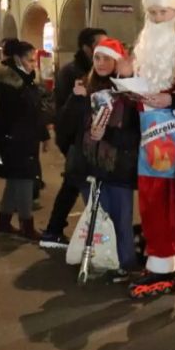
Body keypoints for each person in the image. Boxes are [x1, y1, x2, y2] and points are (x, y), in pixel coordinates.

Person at [126, 0, 175, 299]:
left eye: (163, 13)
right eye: (153, 14)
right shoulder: (144, 47)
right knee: (153, 199)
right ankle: (159, 263)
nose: (158, 20)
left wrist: (168, 100)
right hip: (150, 136)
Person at [64, 38, 141, 275]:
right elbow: (66, 128)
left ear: (118, 61)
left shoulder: (129, 92)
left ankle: (125, 263)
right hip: (88, 166)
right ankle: (101, 260)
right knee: (96, 219)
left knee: (120, 218)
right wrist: (77, 100)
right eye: (97, 57)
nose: (101, 63)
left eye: (107, 58)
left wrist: (107, 134)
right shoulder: (83, 89)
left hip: (118, 167)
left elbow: (135, 134)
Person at [39, 27, 108, 248]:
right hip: (77, 138)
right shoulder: (73, 72)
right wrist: (69, 141)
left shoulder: (91, 69)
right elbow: (66, 110)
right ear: (87, 48)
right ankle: (58, 231)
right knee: (75, 181)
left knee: (74, 182)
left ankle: (55, 230)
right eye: (99, 45)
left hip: (86, 138)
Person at [0, 39, 50, 240]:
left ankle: (3, 223)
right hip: (9, 139)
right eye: (29, 59)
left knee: (16, 181)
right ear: (17, 58)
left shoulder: (26, 79)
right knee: (25, 180)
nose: (33, 63)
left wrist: (43, 135)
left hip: (26, 138)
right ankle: (26, 225)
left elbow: (34, 110)